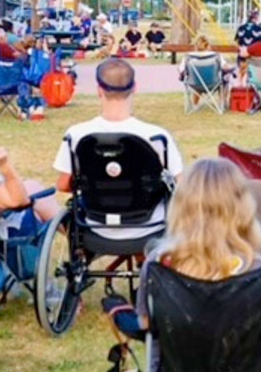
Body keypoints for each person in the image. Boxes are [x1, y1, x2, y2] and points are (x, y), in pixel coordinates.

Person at [103, 158, 260, 367]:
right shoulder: (255, 268)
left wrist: (118, 312)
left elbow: (145, 324)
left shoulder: (160, 264)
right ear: (244, 206)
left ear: (181, 205)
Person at [53, 59, 183, 240]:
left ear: (99, 90)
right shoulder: (156, 136)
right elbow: (180, 184)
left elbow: (63, 185)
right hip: (148, 225)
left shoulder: (76, 134)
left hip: (96, 222)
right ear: (134, 88)